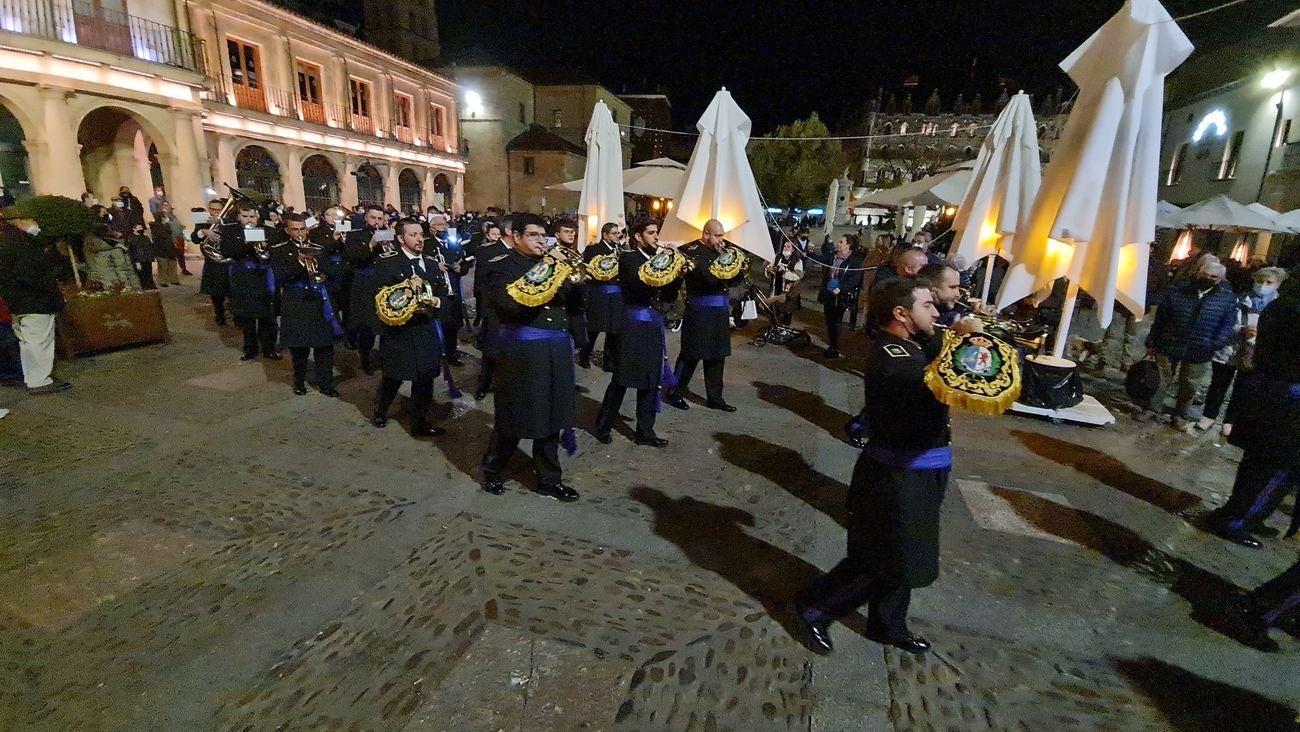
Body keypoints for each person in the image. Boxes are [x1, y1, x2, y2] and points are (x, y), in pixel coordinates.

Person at [795, 278, 951, 656]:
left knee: (906, 556)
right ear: (901, 314)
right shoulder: (894, 358)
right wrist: (976, 343)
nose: (937, 311)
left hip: (922, 467)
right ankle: (815, 609)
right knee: (883, 558)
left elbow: (932, 353)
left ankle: (887, 624)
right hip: (897, 474)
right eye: (927, 305)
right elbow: (947, 382)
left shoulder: (911, 346)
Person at [479, 212, 581, 502]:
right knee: (515, 415)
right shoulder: (500, 266)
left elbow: (571, 304)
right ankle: (494, 469)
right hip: (523, 351)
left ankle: (549, 478)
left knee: (551, 415)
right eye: (534, 235)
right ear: (516, 237)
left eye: (542, 236)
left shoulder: (553, 262)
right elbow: (510, 305)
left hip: (556, 349)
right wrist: (548, 269)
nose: (541, 241)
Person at [1205, 277, 1300, 548]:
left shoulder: (1280, 305)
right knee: (1277, 465)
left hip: (1269, 391)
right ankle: (1238, 519)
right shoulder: (1292, 311)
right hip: (1287, 398)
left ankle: (1242, 514)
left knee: (1259, 463)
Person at [594, 217, 683, 447]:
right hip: (633, 325)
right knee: (623, 378)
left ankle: (646, 431)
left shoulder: (656, 260)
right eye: (651, 233)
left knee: (651, 379)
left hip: (653, 324)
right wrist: (666, 261)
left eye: (656, 233)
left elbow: (668, 295)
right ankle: (603, 424)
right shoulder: (628, 259)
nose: (656, 237)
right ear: (638, 237)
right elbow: (641, 284)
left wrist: (678, 274)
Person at [371, 219, 449, 436]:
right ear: (400, 238)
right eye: (413, 235)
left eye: (421, 234)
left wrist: (437, 303)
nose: (419, 239)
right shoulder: (387, 262)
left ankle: (420, 422)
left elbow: (442, 293)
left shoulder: (432, 263)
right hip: (400, 330)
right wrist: (405, 290)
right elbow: (381, 298)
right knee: (393, 376)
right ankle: (380, 410)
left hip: (425, 328)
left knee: (425, 379)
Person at [1143, 259, 1238, 428]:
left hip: (1201, 347)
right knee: (1161, 378)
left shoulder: (1227, 299)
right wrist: (1152, 340)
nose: (1207, 278)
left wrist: (1215, 343)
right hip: (1170, 341)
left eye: (1213, 277)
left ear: (1220, 280)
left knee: (1190, 384)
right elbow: (1161, 318)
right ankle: (1152, 409)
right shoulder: (1179, 291)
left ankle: (1180, 414)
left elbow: (1227, 324)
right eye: (1205, 275)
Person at [665, 219, 747, 412]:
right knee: (691, 354)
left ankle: (715, 397)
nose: (721, 240)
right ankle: (675, 393)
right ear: (706, 233)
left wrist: (735, 265)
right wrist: (724, 262)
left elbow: (735, 280)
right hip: (699, 311)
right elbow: (708, 277)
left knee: (717, 356)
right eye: (717, 235)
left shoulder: (723, 252)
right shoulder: (693, 252)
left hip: (719, 312)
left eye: (722, 235)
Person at [1200, 267, 1287, 430]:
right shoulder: (1240, 299)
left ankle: (1229, 421)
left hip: (1254, 352)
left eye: (1269, 282)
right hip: (1230, 349)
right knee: (1218, 384)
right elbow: (1226, 322)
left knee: (1242, 388)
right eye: (1260, 281)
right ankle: (1208, 416)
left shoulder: (1278, 307)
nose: (1263, 285)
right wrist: (1241, 329)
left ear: (1277, 285)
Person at [0, 216, 71, 393]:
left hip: (16, 300)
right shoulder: (17, 241)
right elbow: (31, 273)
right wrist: (49, 290)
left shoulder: (7, 240)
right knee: (38, 339)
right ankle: (39, 380)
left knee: (27, 341)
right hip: (34, 299)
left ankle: (33, 377)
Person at [275, 213, 341, 398]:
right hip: (297, 301)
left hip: (319, 299)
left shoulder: (317, 248)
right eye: (295, 229)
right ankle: (299, 381)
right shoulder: (280, 250)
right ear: (288, 231)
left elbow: (330, 271)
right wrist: (300, 262)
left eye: (302, 228)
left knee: (325, 346)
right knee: (300, 348)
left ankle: (326, 383)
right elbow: (280, 276)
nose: (300, 233)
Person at [222, 203, 282, 360]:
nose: (249, 220)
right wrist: (246, 244)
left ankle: (269, 348)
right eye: (245, 217)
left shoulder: (268, 231)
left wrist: (267, 249)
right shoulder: (231, 231)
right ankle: (250, 348)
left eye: (252, 217)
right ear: (238, 217)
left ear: (258, 217)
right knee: (247, 316)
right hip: (243, 277)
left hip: (264, 277)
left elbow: (277, 249)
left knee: (268, 315)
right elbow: (226, 251)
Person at [343, 205, 393, 374]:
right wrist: (371, 244)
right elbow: (351, 257)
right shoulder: (355, 235)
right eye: (373, 218)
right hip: (365, 285)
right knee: (368, 326)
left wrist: (389, 246)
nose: (377, 222)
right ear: (366, 218)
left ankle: (387, 357)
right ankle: (366, 359)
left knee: (388, 321)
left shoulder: (387, 233)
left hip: (384, 283)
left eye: (380, 218)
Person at [579, 222, 626, 370]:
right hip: (599, 294)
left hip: (617, 295)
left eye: (619, 233)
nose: (618, 236)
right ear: (605, 235)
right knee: (594, 329)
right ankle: (584, 355)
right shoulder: (594, 249)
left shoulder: (621, 250)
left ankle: (609, 361)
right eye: (614, 233)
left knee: (613, 330)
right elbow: (590, 269)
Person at [807, 235, 864, 358]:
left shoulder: (855, 260)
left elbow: (855, 279)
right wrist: (811, 253)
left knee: (836, 320)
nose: (838, 244)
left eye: (841, 242)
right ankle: (833, 343)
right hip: (829, 291)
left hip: (841, 295)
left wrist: (841, 288)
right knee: (829, 319)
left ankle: (834, 346)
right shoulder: (833, 255)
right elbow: (821, 259)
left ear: (848, 245)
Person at [472, 221, 511, 400]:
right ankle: (484, 385)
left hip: (514, 308)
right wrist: (484, 309)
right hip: (494, 308)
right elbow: (482, 282)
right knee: (491, 351)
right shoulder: (487, 251)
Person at [428, 213, 467, 367]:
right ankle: (436, 354)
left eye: (445, 224)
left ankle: (451, 353)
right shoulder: (428, 245)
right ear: (432, 229)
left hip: (454, 288)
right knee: (439, 324)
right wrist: (435, 267)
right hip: (438, 291)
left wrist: (460, 268)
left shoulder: (454, 243)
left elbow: (464, 263)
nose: (443, 227)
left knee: (453, 324)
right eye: (439, 225)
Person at [193, 199, 232, 326]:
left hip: (229, 261)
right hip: (213, 264)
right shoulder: (203, 221)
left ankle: (236, 315)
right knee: (216, 294)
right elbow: (194, 238)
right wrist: (204, 232)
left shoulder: (229, 222)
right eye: (213, 209)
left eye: (218, 209)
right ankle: (219, 314)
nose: (215, 212)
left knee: (233, 292)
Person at [83, 225, 139, 289]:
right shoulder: (116, 248)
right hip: (115, 283)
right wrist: (129, 286)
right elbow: (122, 269)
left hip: (99, 282)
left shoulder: (90, 245)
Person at [763, 239, 804, 326]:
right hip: (775, 289)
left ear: (793, 249)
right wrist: (769, 270)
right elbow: (769, 267)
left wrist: (785, 272)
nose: (785, 248)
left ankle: (784, 329)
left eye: (788, 247)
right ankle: (773, 327)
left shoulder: (798, 261)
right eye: (784, 246)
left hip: (787, 292)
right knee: (773, 311)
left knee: (786, 312)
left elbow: (798, 276)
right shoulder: (777, 257)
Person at [150, 211, 181, 287]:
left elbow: (170, 234)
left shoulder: (167, 225)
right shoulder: (156, 227)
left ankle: (174, 279)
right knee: (163, 266)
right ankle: (162, 281)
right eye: (165, 216)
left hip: (170, 248)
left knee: (172, 264)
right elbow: (160, 238)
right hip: (161, 249)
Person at [126, 223, 156, 290]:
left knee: (149, 273)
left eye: (141, 227)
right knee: (142, 274)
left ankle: (151, 285)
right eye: (139, 227)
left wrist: (151, 257)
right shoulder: (132, 239)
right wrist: (136, 261)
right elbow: (132, 251)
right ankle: (145, 287)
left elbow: (149, 247)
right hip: (140, 259)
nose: (141, 229)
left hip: (147, 259)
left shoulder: (145, 237)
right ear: (134, 229)